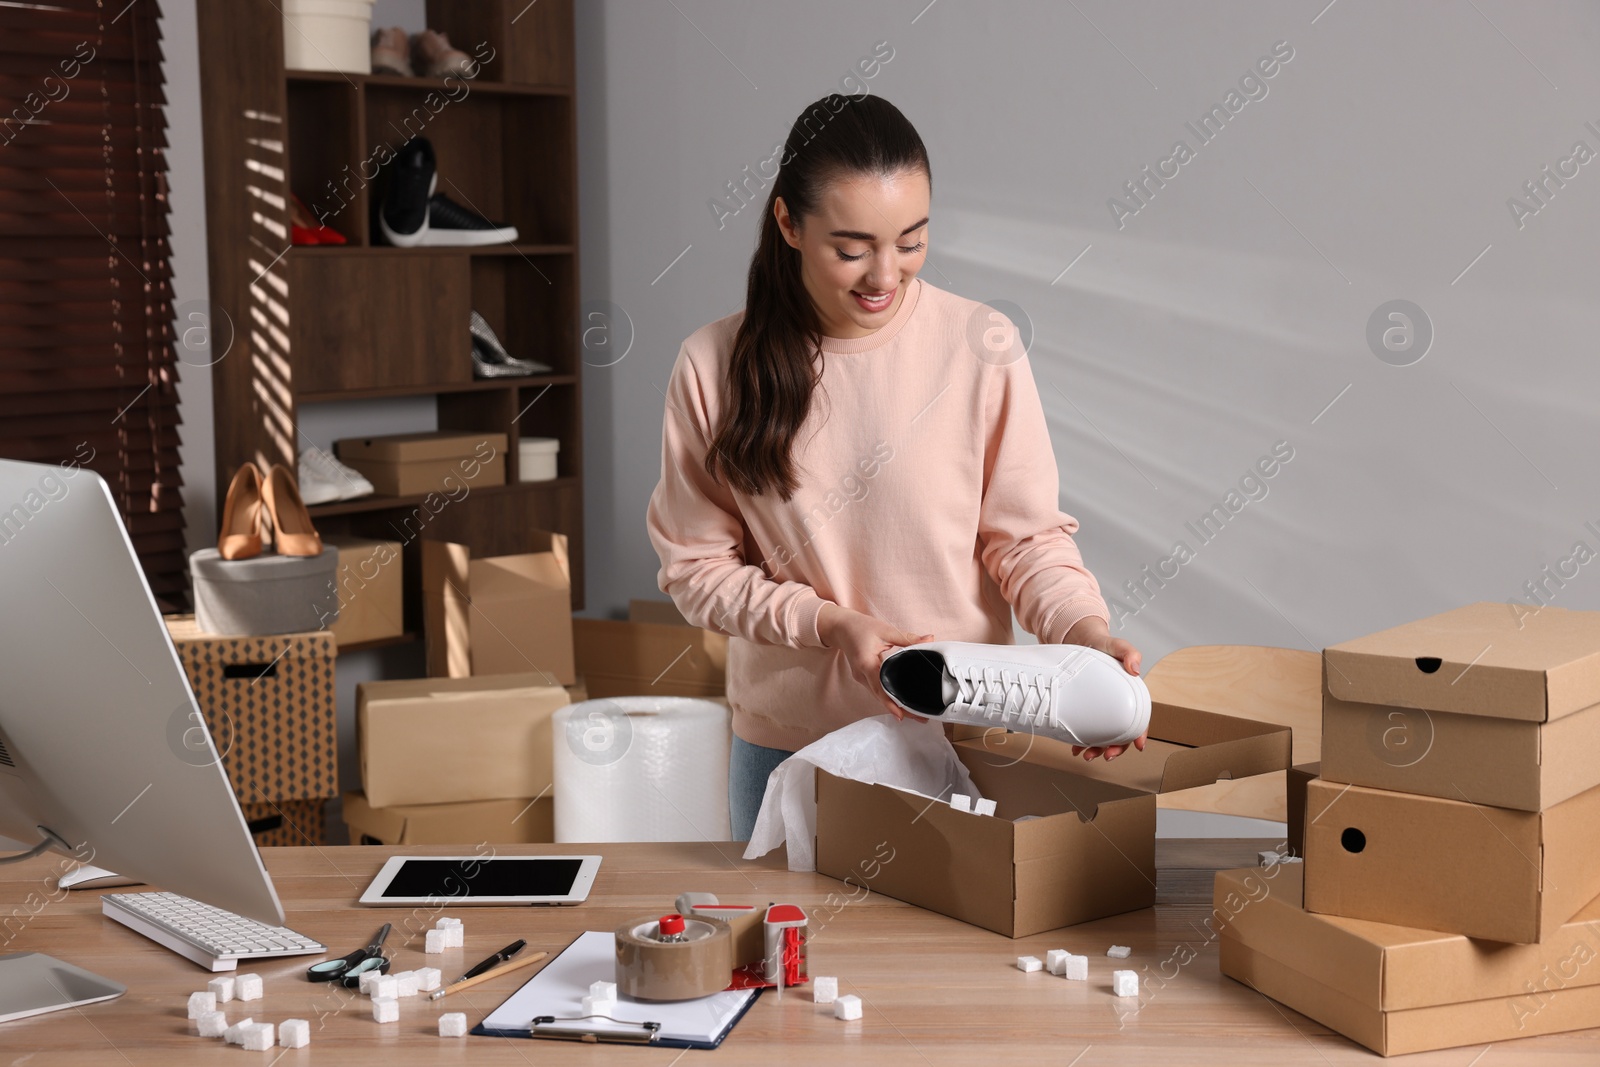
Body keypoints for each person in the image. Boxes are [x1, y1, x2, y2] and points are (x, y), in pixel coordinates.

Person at [646, 93, 1146, 843]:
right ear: (788, 223)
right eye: (852, 248)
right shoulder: (713, 365)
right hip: (791, 745)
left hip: (965, 736)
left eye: (912, 241)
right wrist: (828, 624)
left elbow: (1025, 540)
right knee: (785, 961)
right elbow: (695, 569)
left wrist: (1083, 633)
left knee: (955, 963)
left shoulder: (981, 344)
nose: (887, 274)